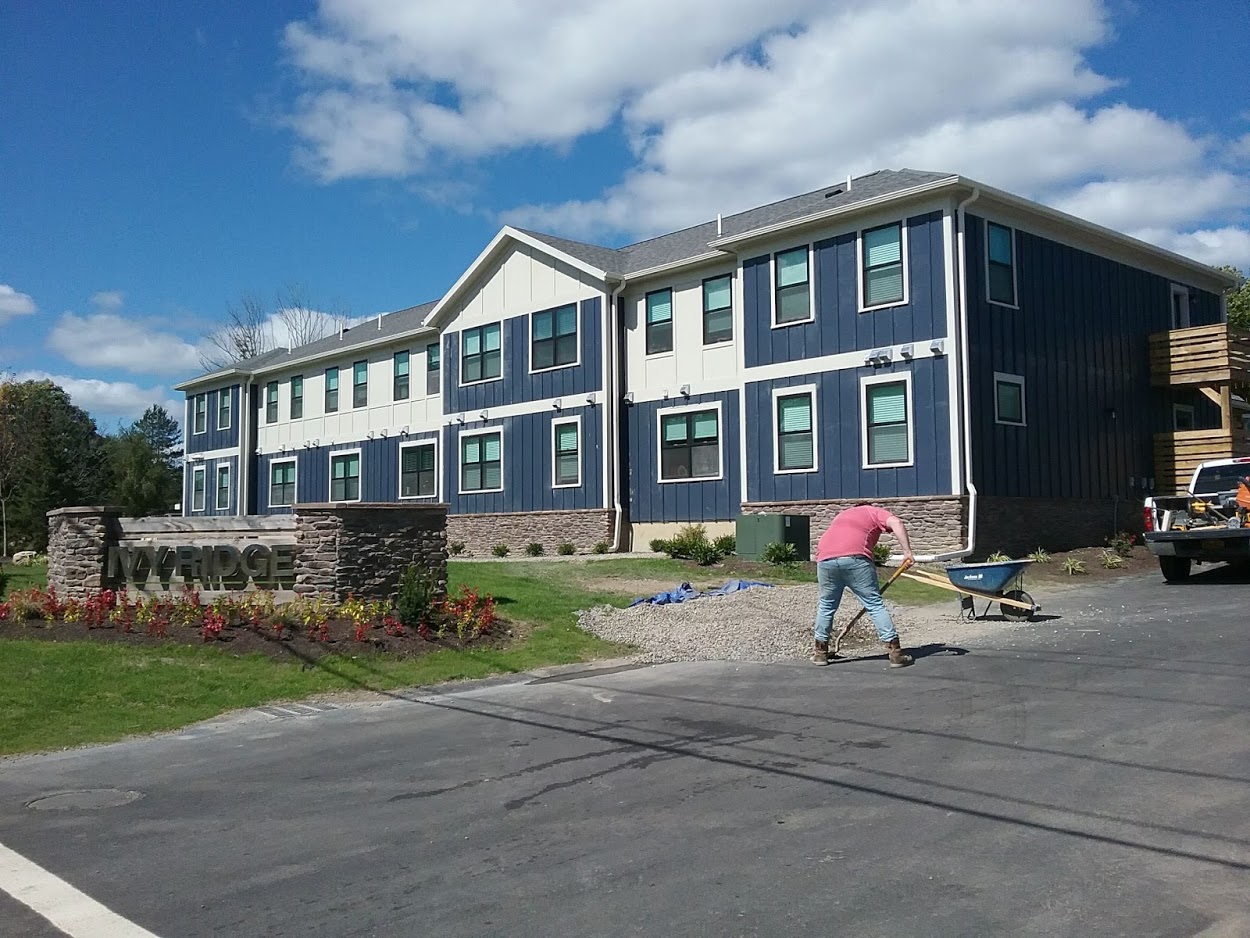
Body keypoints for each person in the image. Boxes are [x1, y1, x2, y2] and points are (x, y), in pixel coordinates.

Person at [811, 504, 914, 667]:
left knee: (826, 605)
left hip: (825, 560)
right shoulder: (873, 511)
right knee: (874, 604)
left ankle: (820, 653)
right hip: (855, 558)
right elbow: (897, 523)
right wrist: (907, 552)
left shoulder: (842, 515)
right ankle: (895, 653)